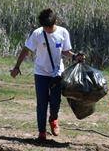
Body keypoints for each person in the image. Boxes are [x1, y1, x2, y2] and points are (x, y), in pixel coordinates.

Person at [10, 8, 85, 142]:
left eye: (49, 27)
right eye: (45, 27)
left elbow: (66, 51)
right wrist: (17, 67)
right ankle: (41, 132)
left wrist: (75, 57)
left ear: (55, 22)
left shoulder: (63, 32)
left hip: (57, 73)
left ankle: (53, 119)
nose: (48, 30)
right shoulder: (37, 34)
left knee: (55, 102)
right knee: (42, 103)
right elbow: (26, 50)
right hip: (40, 73)